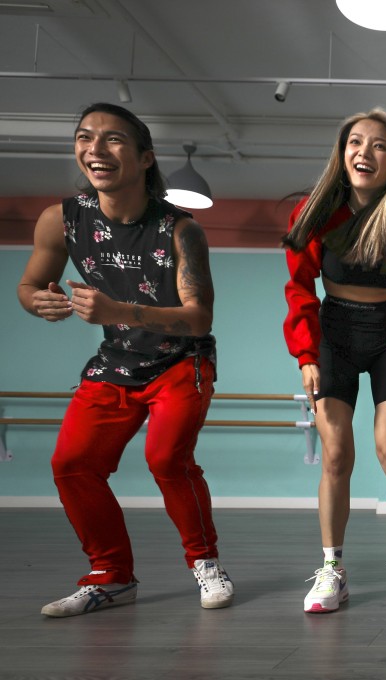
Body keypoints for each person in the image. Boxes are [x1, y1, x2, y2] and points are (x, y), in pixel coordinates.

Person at [17, 102, 233, 617]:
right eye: (85, 137)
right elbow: (28, 285)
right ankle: (110, 576)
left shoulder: (182, 231)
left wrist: (118, 309)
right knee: (71, 464)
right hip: (116, 360)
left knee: (165, 459)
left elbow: (199, 318)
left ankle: (206, 562)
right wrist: (37, 302)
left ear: (144, 159)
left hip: (182, 361)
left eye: (113, 139)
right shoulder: (61, 220)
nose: (95, 148)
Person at [282, 108, 386, 612]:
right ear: (342, 152)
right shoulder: (313, 213)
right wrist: (307, 353)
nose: (365, 152)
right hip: (332, 334)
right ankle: (332, 569)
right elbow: (298, 287)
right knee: (334, 455)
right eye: (356, 142)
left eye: (379, 145)